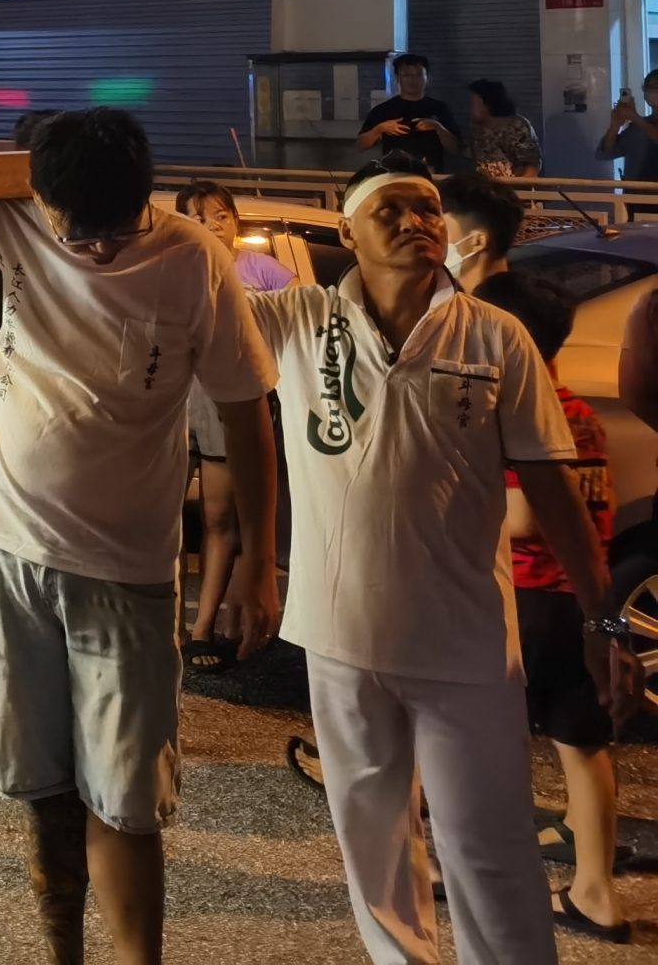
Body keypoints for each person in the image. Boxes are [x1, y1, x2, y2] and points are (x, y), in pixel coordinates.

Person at [0, 109, 280, 965]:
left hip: (129, 568)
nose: (91, 246)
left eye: (113, 229)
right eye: (72, 227)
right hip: (0, 545)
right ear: (35, 191)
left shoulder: (192, 257)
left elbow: (246, 412)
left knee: (126, 799)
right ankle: (63, 951)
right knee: (40, 784)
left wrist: (259, 564)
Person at [248, 158, 637, 965]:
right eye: (390, 207)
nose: (416, 219)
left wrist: (602, 618)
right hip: (339, 633)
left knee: (488, 845)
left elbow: (553, 490)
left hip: (466, 647)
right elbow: (177, 296)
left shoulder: (496, 336)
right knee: (376, 850)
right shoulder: (294, 318)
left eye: (428, 207)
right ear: (347, 231)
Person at [493, 274, 627, 942]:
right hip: (579, 602)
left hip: (528, 598)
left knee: (489, 743)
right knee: (583, 747)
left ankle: (483, 872)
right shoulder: (581, 411)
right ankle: (597, 892)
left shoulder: (527, 411)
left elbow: (520, 519)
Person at [171, 181, 293, 669]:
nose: (210, 226)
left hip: (231, 400)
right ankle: (170, 623)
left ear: (235, 220)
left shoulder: (260, 268)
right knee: (167, 515)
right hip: (177, 396)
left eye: (219, 216)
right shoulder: (173, 266)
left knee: (221, 519)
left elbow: (296, 323)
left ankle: (201, 632)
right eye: (197, 218)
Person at [358, 53, 460, 170]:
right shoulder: (383, 110)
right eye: (406, 75)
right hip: (393, 175)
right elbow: (361, 145)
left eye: (418, 75)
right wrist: (379, 129)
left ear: (427, 78)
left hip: (430, 174)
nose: (413, 80)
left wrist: (438, 128)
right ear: (397, 78)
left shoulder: (439, 108)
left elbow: (455, 149)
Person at [438, 171, 524, 303]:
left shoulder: (513, 314)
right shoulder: (441, 303)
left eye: (442, 230)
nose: (432, 239)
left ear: (478, 242)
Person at [463, 80, 541, 180]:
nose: (470, 108)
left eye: (474, 103)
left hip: (513, 188)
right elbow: (465, 152)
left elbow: (533, 164)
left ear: (488, 103)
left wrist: (521, 189)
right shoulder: (477, 129)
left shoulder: (516, 126)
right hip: (485, 189)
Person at [595, 67, 658, 182]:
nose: (652, 91)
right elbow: (606, 153)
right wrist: (615, 126)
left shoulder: (639, 123)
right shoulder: (636, 129)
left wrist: (635, 117)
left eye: (656, 87)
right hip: (635, 196)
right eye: (648, 88)